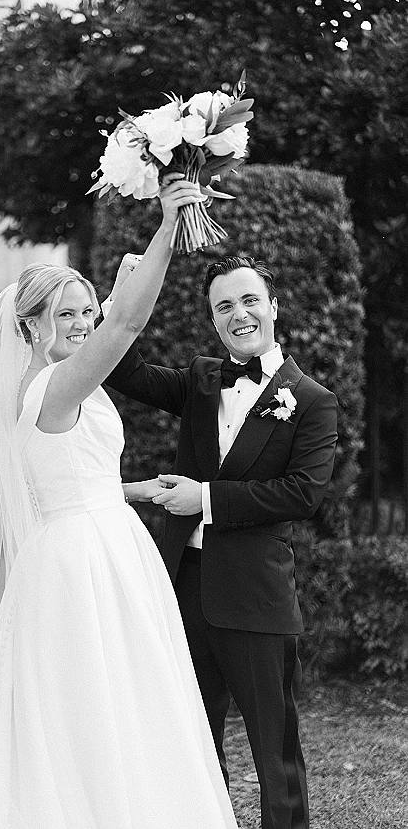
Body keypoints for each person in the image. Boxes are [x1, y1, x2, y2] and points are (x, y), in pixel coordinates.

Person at [0, 175, 239, 829]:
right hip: (82, 564)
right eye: (66, 314)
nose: (83, 324)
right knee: (87, 702)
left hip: (100, 538)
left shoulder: (49, 386)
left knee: (121, 697)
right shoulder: (56, 385)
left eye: (85, 311)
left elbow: (65, 473)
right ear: (31, 325)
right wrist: (167, 226)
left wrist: (134, 489)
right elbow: (128, 321)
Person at [105, 255, 338, 829]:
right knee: (191, 745)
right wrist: (120, 295)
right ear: (213, 321)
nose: (239, 314)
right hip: (183, 593)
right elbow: (124, 371)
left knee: (274, 754)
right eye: (224, 306)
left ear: (274, 306)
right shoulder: (202, 381)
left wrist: (204, 499)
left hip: (256, 600)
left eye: (249, 300)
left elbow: (301, 495)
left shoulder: (312, 400)